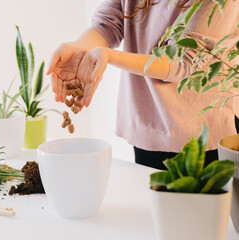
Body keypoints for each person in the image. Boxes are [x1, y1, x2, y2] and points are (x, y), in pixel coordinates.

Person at [46, 0, 239, 170]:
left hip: (204, 135)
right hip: (148, 126)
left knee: (203, 211)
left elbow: (182, 61)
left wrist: (109, 56)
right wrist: (79, 47)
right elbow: (109, 22)